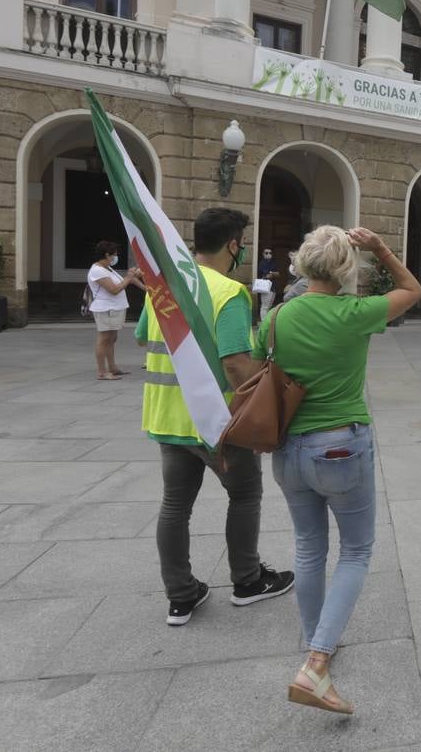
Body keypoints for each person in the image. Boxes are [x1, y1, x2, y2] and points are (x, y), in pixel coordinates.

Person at [260, 225, 421, 716]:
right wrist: (380, 248)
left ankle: (317, 642)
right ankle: (316, 660)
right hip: (340, 447)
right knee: (356, 550)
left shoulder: (277, 317)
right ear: (345, 269)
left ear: (302, 264)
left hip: (288, 450)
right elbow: (413, 291)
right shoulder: (355, 313)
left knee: (309, 547)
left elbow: (254, 369)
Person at [135, 207, 295, 627]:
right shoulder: (228, 292)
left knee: (174, 505)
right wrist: (272, 393)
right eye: (241, 241)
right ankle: (247, 581)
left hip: (167, 418)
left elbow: (141, 339)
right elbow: (236, 364)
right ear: (232, 244)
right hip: (217, 423)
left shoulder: (163, 288)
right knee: (244, 495)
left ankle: (181, 596)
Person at [87, 240, 143, 380]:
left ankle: (112, 367)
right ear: (107, 255)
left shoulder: (107, 269)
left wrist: (140, 284)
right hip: (106, 308)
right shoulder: (97, 270)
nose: (115, 258)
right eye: (114, 255)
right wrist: (129, 277)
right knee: (104, 339)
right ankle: (102, 371)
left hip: (114, 308)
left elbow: (125, 281)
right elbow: (114, 289)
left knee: (112, 339)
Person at [257, 248, 279, 322]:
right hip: (265, 287)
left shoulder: (274, 262)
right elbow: (265, 275)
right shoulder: (262, 263)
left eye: (270, 253)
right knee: (264, 306)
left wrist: (273, 274)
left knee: (269, 306)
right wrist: (272, 274)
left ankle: (267, 322)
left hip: (273, 287)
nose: (268, 254)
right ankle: (264, 322)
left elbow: (277, 274)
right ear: (263, 254)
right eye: (266, 253)